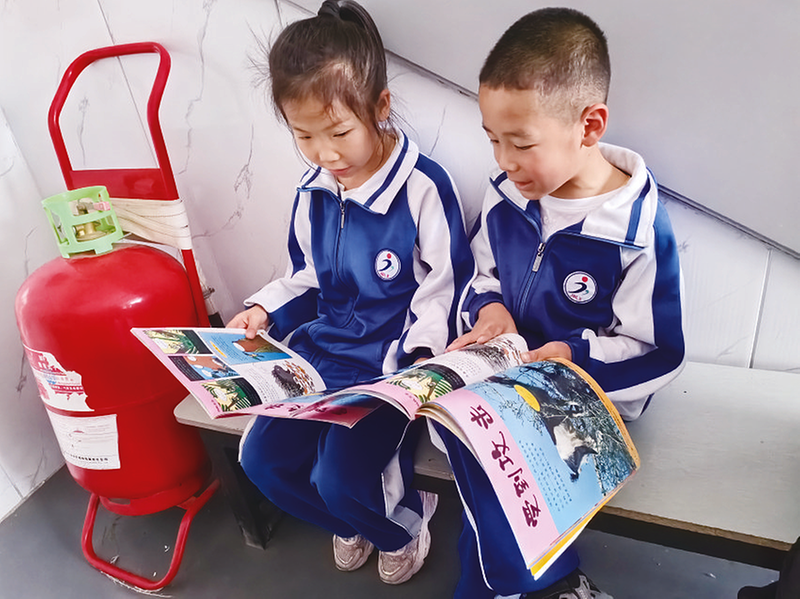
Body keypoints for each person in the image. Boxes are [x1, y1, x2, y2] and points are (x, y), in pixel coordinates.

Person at [440, 7, 686, 598]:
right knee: (456, 432)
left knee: (491, 492)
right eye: (493, 139)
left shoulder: (637, 233)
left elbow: (659, 351)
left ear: (589, 126)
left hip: (588, 395)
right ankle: (548, 582)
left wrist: (572, 356)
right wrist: (491, 310)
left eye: (521, 143)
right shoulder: (507, 195)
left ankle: (537, 582)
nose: (503, 161)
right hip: (506, 374)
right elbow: (480, 272)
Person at [229, 0, 475, 586]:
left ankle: (402, 525)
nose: (326, 154)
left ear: (380, 108)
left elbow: (446, 288)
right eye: (304, 136)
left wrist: (416, 371)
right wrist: (262, 309)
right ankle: (356, 521)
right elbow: (307, 277)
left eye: (339, 132)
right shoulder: (313, 190)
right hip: (320, 356)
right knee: (260, 462)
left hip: (389, 368)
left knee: (338, 479)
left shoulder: (424, 188)